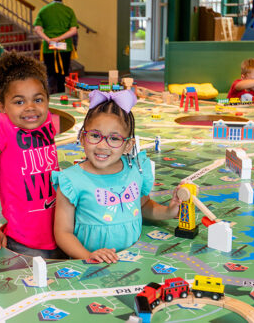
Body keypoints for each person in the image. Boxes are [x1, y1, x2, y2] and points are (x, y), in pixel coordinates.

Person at [52, 90, 182, 263]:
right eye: (95, 135)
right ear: (83, 138)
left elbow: (143, 206)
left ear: (128, 145)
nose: (102, 145)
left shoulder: (135, 170)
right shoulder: (71, 181)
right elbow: (63, 232)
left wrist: (168, 211)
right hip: (89, 264)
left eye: (114, 138)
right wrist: (87, 256)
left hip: (132, 258)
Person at [0, 51, 65, 259]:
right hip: (25, 242)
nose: (30, 108)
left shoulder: (48, 119)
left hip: (62, 231)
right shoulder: (0, 125)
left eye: (38, 99)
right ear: (2, 106)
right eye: (19, 102)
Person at [33, 0, 78, 94]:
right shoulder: (69, 11)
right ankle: (63, 94)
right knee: (64, 72)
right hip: (64, 47)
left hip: (48, 47)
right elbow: (73, 30)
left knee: (50, 72)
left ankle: (50, 96)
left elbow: (37, 29)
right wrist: (59, 38)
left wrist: (49, 39)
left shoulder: (44, 10)